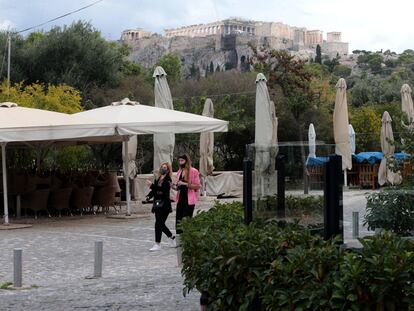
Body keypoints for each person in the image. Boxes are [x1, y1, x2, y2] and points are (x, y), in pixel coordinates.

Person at [146, 162, 176, 251]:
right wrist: (149, 196)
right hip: (157, 204)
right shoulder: (158, 179)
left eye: (165, 167)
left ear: (168, 170)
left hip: (165, 205)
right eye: (162, 167)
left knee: (158, 224)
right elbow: (155, 190)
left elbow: (163, 190)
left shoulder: (168, 180)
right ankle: (171, 238)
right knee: (160, 224)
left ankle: (157, 244)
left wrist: (151, 186)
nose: (163, 169)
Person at [174, 154, 201, 235]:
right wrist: (173, 186)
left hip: (189, 200)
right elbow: (178, 188)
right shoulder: (179, 171)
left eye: (182, 160)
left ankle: (187, 239)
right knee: (178, 220)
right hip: (180, 198)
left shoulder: (194, 171)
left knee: (186, 220)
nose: (180, 162)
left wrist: (185, 184)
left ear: (186, 161)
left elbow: (198, 186)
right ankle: (179, 240)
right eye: (179, 161)